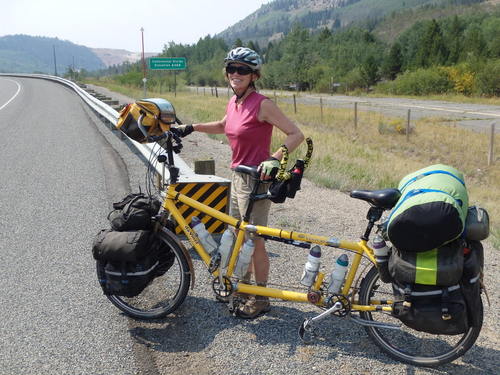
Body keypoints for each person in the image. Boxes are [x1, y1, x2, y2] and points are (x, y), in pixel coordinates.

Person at [172, 47, 304, 319]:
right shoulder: (234, 102)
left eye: (243, 69)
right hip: (237, 176)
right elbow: (224, 125)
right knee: (238, 235)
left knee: (254, 240)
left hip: (256, 182)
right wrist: (192, 127)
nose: (236, 73)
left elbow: (295, 134)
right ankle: (243, 288)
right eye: (232, 68)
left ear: (254, 75)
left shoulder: (262, 104)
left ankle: (262, 296)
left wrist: (274, 158)